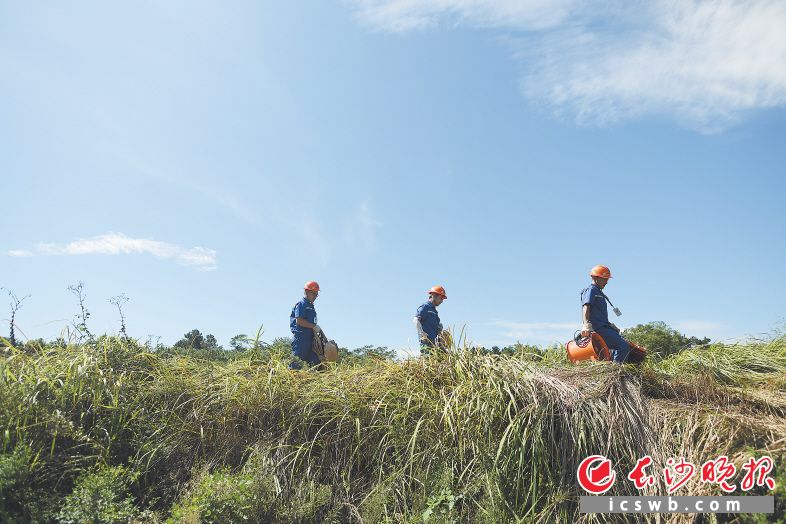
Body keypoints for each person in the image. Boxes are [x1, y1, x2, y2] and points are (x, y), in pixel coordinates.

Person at [581, 265, 630, 363]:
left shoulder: (599, 292)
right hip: (598, 328)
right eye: (604, 279)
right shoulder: (591, 290)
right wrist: (586, 325)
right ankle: (615, 372)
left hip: (604, 326)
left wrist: (610, 325)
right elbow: (586, 307)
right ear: (595, 278)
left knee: (622, 344)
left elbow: (598, 314)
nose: (606, 282)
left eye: (607, 279)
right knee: (623, 346)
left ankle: (612, 365)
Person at [289, 281, 322, 369]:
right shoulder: (301, 304)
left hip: (311, 339)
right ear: (307, 292)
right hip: (301, 338)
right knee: (296, 365)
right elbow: (299, 321)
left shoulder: (311, 307)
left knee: (315, 363)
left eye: (316, 294)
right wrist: (314, 326)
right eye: (313, 294)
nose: (315, 296)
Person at [414, 285, 447, 355]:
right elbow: (415, 319)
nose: (442, 301)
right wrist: (421, 333)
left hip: (435, 344)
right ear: (434, 295)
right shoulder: (425, 306)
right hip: (427, 344)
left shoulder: (434, 311)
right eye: (441, 298)